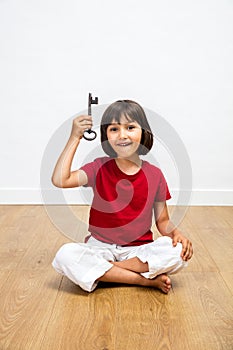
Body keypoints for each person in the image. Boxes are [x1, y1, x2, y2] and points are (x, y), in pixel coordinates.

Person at [51, 100, 193, 294]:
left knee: (177, 253)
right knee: (65, 255)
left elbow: (163, 220)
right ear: (105, 135)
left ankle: (105, 271)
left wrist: (176, 234)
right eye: (114, 129)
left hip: (138, 250)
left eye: (130, 127)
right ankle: (143, 281)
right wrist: (75, 137)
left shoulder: (155, 174)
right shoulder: (98, 167)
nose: (122, 135)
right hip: (100, 248)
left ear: (143, 132)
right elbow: (61, 179)